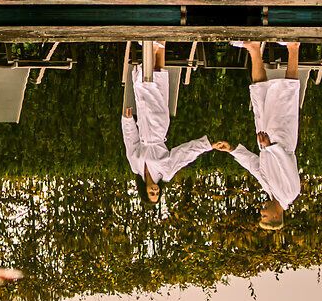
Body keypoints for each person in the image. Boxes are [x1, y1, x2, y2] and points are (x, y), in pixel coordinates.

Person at [213, 40, 302, 228]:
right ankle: (293, 47)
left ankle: (253, 48)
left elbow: (255, 167)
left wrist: (233, 150)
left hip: (264, 140)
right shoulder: (290, 193)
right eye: (264, 217)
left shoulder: (271, 192)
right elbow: (286, 164)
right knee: (286, 94)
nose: (261, 212)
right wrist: (272, 147)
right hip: (281, 139)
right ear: (276, 216)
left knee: (259, 93)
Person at [122, 42, 216, 204]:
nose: (155, 191)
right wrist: (207, 145)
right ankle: (151, 47)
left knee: (156, 82)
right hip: (158, 128)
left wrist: (128, 120)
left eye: (151, 194)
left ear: (144, 192)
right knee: (147, 88)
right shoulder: (166, 173)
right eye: (157, 194)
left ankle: (159, 45)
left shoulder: (135, 167)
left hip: (144, 126)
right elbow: (184, 155)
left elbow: (131, 142)